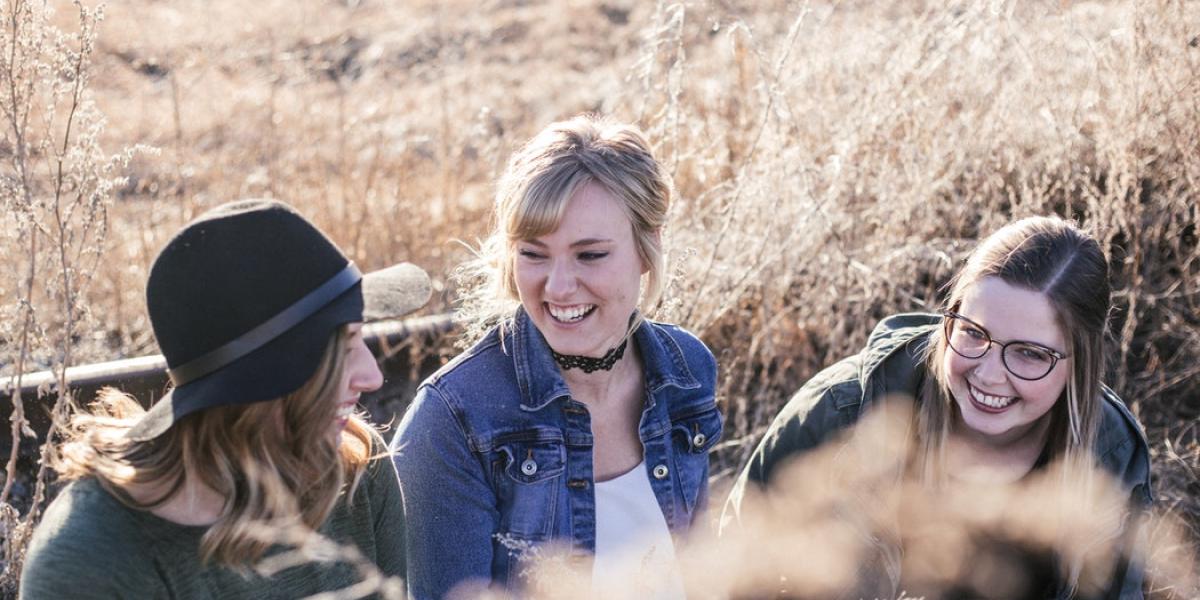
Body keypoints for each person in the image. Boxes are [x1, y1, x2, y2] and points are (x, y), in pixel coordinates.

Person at [723, 216, 1152, 598]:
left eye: (1029, 354)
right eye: (973, 332)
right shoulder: (841, 412)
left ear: (1081, 362)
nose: (987, 375)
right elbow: (735, 566)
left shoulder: (1110, 456)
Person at [20, 199, 431, 599]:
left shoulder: (356, 467)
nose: (373, 376)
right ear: (261, 380)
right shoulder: (92, 560)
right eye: (345, 348)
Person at [391, 114, 722, 599]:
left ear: (647, 250)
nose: (559, 286)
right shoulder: (454, 421)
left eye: (590, 255)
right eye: (534, 253)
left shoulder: (687, 370)